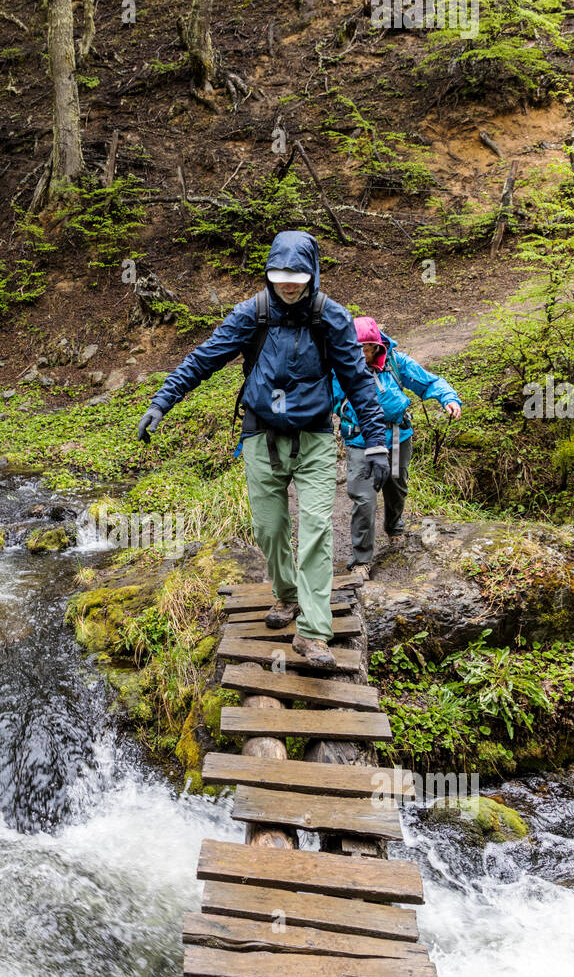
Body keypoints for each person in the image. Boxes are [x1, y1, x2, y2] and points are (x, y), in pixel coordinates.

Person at [136, 230, 389, 671]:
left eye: (296, 276)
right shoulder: (251, 314)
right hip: (260, 435)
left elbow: (359, 382)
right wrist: (162, 401)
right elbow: (203, 358)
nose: (288, 285)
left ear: (311, 274)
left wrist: (376, 443)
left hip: (313, 437)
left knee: (316, 529)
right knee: (269, 529)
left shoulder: (331, 318)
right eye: (280, 276)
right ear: (270, 274)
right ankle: (287, 595)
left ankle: (313, 633)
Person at [333, 315, 463, 579]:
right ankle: (361, 560)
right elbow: (324, 397)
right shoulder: (341, 368)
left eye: (365, 349)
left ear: (377, 346)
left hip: (398, 435)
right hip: (360, 440)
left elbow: (429, 382)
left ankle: (394, 528)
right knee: (364, 498)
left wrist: (448, 398)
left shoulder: (395, 361)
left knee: (397, 485)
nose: (360, 354)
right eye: (354, 348)